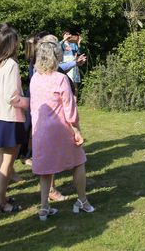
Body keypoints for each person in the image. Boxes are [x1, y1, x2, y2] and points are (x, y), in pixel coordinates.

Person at [30, 35, 94, 221]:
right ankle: (82, 200)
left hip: (40, 130)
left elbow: (34, 105)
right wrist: (76, 129)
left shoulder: (35, 79)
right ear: (55, 56)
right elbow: (69, 107)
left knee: (45, 169)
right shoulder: (59, 78)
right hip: (60, 128)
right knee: (79, 162)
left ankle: (44, 207)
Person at [0, 24, 27, 213]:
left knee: (2, 161)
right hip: (9, 119)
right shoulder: (11, 64)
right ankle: (0, 202)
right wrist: (30, 102)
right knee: (7, 163)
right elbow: (12, 97)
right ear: (12, 43)